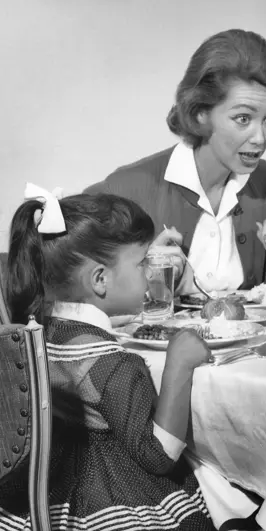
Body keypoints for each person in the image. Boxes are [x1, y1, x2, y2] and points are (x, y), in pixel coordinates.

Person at [0, 185, 218, 530]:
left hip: (42, 496)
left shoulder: (45, 334)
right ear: (100, 279)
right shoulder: (113, 362)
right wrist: (179, 362)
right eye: (142, 261)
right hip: (108, 501)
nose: (150, 271)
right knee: (215, 480)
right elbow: (159, 455)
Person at [85, 29, 266, 296]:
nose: (260, 138)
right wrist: (144, 279)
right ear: (201, 112)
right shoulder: (125, 190)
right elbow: (72, 298)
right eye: (243, 118)